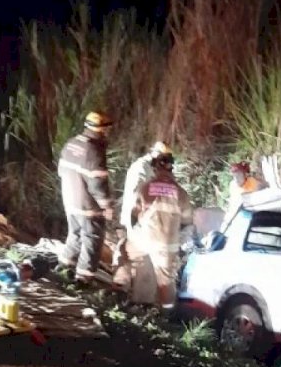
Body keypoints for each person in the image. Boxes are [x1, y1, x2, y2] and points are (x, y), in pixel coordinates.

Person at [128, 153, 193, 312]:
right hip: (167, 245)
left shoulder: (145, 188)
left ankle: (141, 308)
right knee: (166, 281)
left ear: (155, 168)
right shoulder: (181, 193)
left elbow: (134, 215)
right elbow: (187, 222)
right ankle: (167, 313)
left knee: (142, 271)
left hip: (145, 241)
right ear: (172, 169)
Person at [56, 111, 115, 285]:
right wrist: (107, 206)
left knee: (74, 235)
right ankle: (83, 280)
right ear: (102, 129)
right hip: (87, 205)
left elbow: (61, 171)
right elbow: (98, 184)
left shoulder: (71, 143)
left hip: (70, 200)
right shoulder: (94, 150)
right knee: (92, 239)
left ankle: (64, 268)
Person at [119, 141, 173, 234]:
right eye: (164, 159)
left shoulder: (154, 168)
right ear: (156, 154)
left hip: (148, 219)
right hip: (136, 218)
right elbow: (136, 194)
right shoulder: (142, 167)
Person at [222, 161, 266, 228]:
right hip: (237, 217)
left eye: (238, 175)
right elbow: (233, 204)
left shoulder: (253, 182)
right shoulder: (232, 185)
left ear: (244, 174)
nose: (236, 178)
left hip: (253, 214)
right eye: (234, 176)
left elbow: (260, 197)